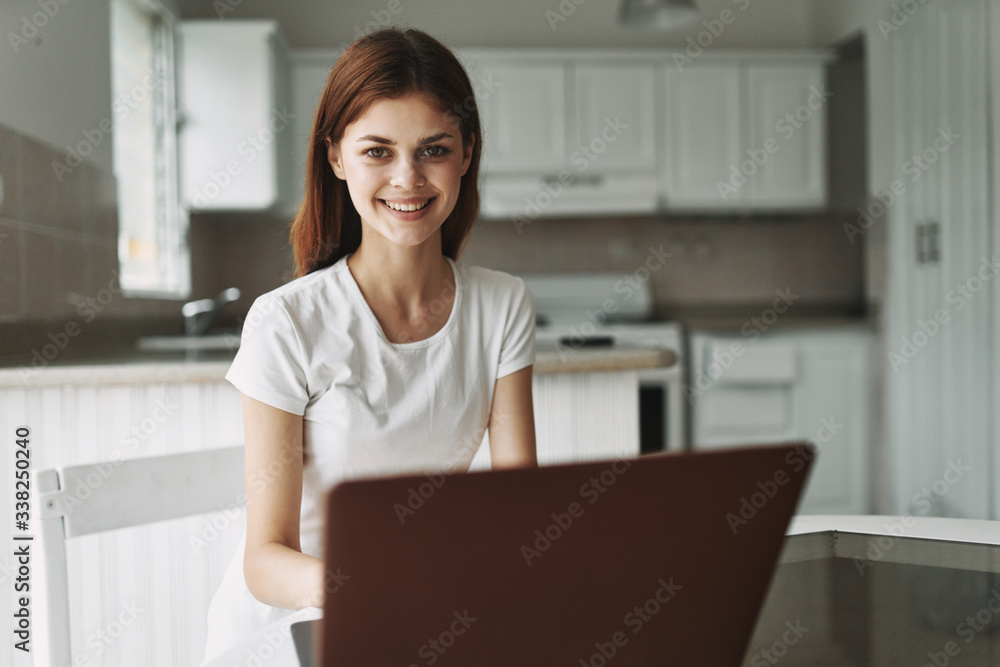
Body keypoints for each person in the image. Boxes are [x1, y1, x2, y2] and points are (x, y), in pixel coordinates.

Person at [201, 27, 537, 662]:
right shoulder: (286, 323)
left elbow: (521, 508)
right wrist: (382, 588)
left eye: (433, 149)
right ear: (337, 159)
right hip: (291, 631)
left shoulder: (502, 304)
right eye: (377, 151)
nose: (407, 179)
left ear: (467, 153)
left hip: (418, 617)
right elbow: (266, 560)